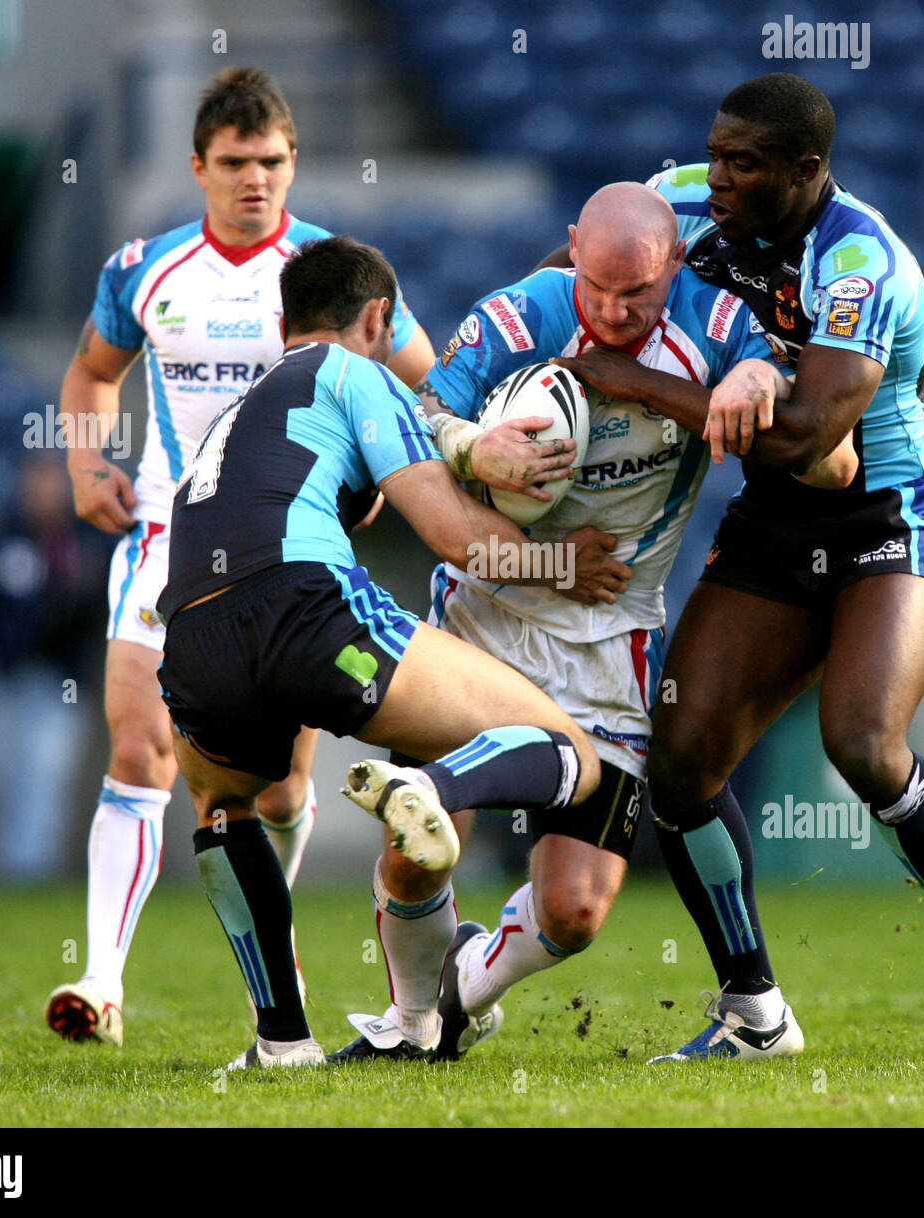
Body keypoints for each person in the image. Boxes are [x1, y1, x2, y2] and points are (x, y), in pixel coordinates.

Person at [554, 74, 924, 1063]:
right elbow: (582, 271)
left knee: (861, 741)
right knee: (677, 766)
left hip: (886, 515)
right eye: (715, 153)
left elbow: (806, 429)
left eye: (744, 163)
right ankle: (752, 1010)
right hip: (775, 523)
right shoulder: (677, 199)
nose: (716, 177)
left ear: (805, 172)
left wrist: (635, 380)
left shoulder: (862, 262)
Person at [328, 182, 826, 1065]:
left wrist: (756, 374)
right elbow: (422, 413)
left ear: (674, 263)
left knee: (576, 912)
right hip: (481, 619)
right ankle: (409, 1029)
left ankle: (460, 992)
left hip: (611, 642)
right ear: (570, 250)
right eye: (596, 286)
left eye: (637, 292)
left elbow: (779, 381)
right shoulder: (517, 319)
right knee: (418, 848)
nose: (613, 309)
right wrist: (474, 447)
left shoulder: (715, 325)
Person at [156, 234, 624, 1068]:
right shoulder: (356, 373)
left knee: (224, 812)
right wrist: (560, 561)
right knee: (572, 755)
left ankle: (281, 1042)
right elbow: (453, 538)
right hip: (302, 609)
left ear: (285, 321)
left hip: (191, 634)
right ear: (379, 316)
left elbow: (324, 498)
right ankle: (427, 785)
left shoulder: (246, 407)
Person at [44, 66, 437, 1046]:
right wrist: (87, 461)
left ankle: (273, 945)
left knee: (280, 788)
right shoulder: (147, 269)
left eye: (271, 160)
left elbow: (427, 380)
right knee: (139, 747)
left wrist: (406, 469)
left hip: (291, 547)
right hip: (166, 534)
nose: (254, 179)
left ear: (293, 161)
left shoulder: (336, 275)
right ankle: (99, 982)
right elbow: (92, 372)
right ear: (199, 166)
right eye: (234, 163)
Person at [0, 456, 111, 881]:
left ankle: (31, 873)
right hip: (2, 679)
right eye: (35, 484)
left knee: (43, 777)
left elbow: (93, 611)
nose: (43, 493)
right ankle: (10, 869)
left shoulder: (85, 545)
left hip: (57, 682)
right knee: (1, 776)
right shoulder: (3, 537)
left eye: (51, 485)